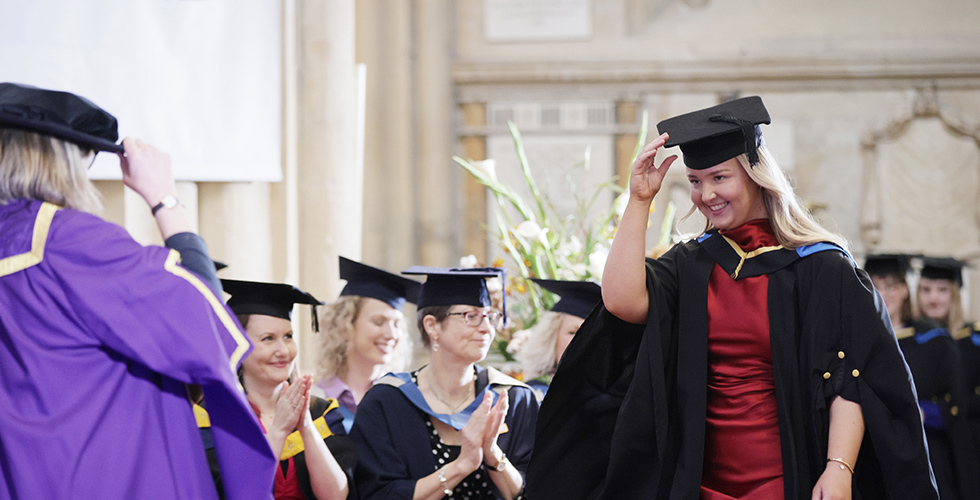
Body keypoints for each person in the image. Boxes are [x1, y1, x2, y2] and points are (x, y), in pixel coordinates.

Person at [526, 96, 938, 499]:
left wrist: (838, 468)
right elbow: (621, 302)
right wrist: (638, 201)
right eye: (694, 182)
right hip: (697, 477)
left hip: (788, 473)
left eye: (719, 177)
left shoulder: (821, 268)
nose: (706, 195)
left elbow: (852, 379)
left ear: (755, 174)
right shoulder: (690, 264)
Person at [0, 82, 276, 498]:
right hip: (110, 474)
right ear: (58, 162)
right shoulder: (70, 243)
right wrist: (164, 198)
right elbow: (204, 322)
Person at [349, 267, 539, 500]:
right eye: (471, 316)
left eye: (490, 317)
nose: (486, 328)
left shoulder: (513, 399)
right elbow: (377, 494)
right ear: (432, 326)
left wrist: (492, 453)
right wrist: (461, 466)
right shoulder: (387, 402)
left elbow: (536, 491)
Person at [203, 279, 359, 500]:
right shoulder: (211, 418)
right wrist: (278, 432)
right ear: (236, 345)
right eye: (268, 339)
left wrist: (305, 425)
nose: (283, 350)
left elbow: (336, 496)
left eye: (288, 336)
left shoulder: (322, 414)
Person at [866, 255, 971, 499]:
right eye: (876, 286)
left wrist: (923, 413)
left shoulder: (934, 341)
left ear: (904, 289)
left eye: (891, 286)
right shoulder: (862, 342)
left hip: (929, 451)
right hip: (877, 451)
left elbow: (958, 402)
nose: (884, 293)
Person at [313, 256, 421, 432]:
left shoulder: (403, 399)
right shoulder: (314, 399)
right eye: (379, 322)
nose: (391, 334)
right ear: (346, 324)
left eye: (397, 324)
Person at [511, 279, 601, 400]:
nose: (581, 340)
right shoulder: (531, 397)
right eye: (572, 332)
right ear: (552, 338)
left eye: (591, 333)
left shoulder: (615, 400)